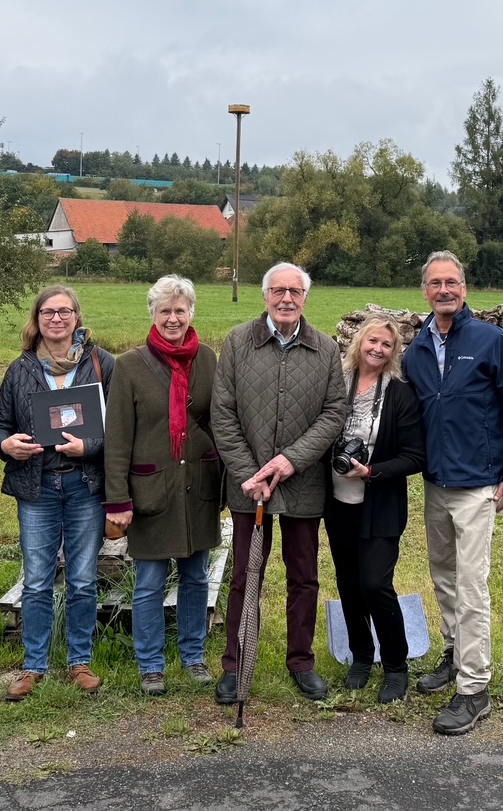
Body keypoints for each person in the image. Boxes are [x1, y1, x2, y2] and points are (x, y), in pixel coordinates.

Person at [401, 250, 503, 736]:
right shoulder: (416, 349)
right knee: (444, 576)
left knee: (473, 585)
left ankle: (474, 688)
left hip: (479, 484)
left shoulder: (490, 341)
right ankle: (455, 654)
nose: (444, 290)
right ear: (425, 292)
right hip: (435, 483)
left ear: (465, 287)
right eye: (435, 283)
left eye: (451, 282)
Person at [211, 262, 348, 704]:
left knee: (304, 576)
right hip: (248, 487)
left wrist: (289, 461)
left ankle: (301, 661)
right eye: (278, 290)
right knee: (246, 575)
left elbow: (333, 413)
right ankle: (235, 664)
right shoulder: (237, 342)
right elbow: (223, 413)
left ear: (305, 297)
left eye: (295, 291)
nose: (286, 298)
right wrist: (251, 474)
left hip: (303, 484)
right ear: (265, 295)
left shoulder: (326, 350)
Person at [0, 285, 115, 700]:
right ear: (37, 318)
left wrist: (90, 448)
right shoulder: (21, 369)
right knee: (38, 580)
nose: (56, 319)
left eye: (65, 311)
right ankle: (33, 666)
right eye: (48, 312)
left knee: (82, 578)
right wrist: (5, 445)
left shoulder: (101, 365)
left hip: (85, 484)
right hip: (37, 485)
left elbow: (119, 429)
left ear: (77, 317)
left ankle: (80, 661)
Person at [104, 275, 221, 696]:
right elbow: (117, 437)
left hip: (198, 489)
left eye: (180, 310)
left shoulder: (208, 359)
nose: (173, 318)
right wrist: (116, 498)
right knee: (151, 582)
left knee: (196, 578)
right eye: (165, 311)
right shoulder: (130, 365)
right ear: (152, 314)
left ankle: (193, 656)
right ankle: (151, 664)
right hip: (151, 491)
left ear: (191, 313)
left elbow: (222, 423)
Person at [324, 316, 427, 704]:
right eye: (373, 341)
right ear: (359, 342)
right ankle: (362, 656)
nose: (378, 349)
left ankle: (396, 664)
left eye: (386, 344)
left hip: (380, 505)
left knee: (375, 585)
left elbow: (416, 455)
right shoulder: (339, 382)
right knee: (349, 584)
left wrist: (374, 471)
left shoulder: (400, 393)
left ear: (393, 351)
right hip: (337, 504)